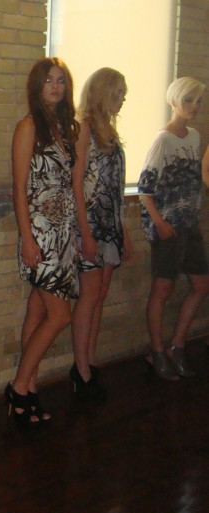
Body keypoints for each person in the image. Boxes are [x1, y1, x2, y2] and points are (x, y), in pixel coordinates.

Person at [8, 57, 79, 424]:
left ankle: (29, 391)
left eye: (61, 80)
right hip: (40, 234)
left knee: (38, 311)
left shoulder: (66, 129)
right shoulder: (28, 127)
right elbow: (19, 189)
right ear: (37, 86)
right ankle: (19, 387)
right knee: (60, 315)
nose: (55, 86)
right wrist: (27, 239)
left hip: (63, 233)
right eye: (49, 80)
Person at [138, 77, 209, 380]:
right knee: (162, 289)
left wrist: (196, 219)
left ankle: (177, 345)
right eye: (189, 100)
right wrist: (160, 223)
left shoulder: (194, 137)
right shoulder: (163, 140)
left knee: (201, 285)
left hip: (189, 226)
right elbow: (144, 189)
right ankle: (156, 352)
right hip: (168, 227)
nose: (194, 106)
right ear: (175, 100)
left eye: (199, 101)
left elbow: (194, 183)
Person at [70, 68, 132, 399]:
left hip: (110, 226)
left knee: (100, 295)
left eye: (124, 94)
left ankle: (90, 363)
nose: (122, 99)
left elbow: (116, 187)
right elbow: (77, 184)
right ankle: (80, 370)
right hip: (90, 226)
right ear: (102, 91)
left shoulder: (110, 130)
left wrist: (123, 229)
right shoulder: (84, 128)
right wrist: (86, 233)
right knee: (89, 296)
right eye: (118, 92)